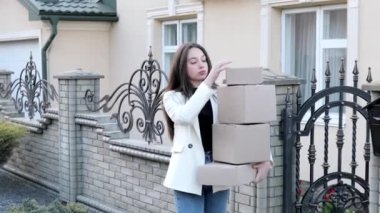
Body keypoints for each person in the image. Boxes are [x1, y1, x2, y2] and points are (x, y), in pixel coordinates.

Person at [162, 42, 272, 213]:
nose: (201, 65)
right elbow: (184, 116)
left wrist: (265, 157)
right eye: (193, 62)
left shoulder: (219, 94)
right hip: (188, 171)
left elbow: (247, 124)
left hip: (219, 166)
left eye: (204, 60)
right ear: (181, 67)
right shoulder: (172, 97)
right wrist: (208, 81)